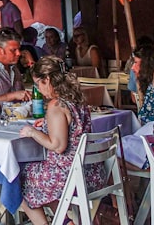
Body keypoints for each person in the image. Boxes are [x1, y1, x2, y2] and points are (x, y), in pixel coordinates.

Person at [17, 57, 106, 225]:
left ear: (47, 80)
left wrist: (32, 132)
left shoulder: (56, 105)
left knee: (17, 179)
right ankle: (64, 221)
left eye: (38, 84)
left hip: (69, 174)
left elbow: (57, 146)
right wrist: (48, 123)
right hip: (92, 170)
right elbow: (72, 126)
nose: (39, 89)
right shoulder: (76, 99)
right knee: (32, 175)